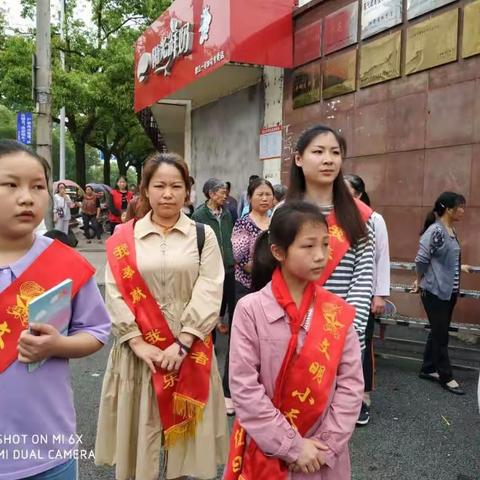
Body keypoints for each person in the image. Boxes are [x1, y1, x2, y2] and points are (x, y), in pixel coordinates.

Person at [95, 153, 228, 480]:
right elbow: (113, 292)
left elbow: (210, 288)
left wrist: (182, 344)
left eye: (176, 186)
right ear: (145, 190)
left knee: (183, 445)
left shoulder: (203, 235)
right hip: (140, 356)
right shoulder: (123, 238)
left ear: (187, 191)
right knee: (143, 440)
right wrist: (139, 344)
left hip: (189, 351)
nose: (167, 193)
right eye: (159, 186)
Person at [225, 201, 363, 480]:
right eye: (308, 246)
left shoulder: (337, 311)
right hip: (267, 449)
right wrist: (292, 446)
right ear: (278, 252)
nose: (321, 255)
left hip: (323, 460)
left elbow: (351, 385)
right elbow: (243, 387)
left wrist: (326, 446)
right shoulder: (250, 309)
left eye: (325, 244)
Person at [0, 140, 110, 480]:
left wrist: (57, 345)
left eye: (37, 187)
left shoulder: (64, 263)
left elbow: (97, 332)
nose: (26, 197)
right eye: (10, 185)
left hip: (48, 448)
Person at [286, 125, 375, 352]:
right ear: (299, 158)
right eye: (318, 152)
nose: (328, 160)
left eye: (335, 152)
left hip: (341, 338)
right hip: (289, 334)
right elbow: (276, 278)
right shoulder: (282, 213)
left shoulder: (361, 217)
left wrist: (346, 334)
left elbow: (362, 282)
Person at [412, 191, 469, 395]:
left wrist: (459, 266)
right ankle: (446, 376)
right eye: (459, 206)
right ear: (447, 208)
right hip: (434, 291)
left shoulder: (450, 230)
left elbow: (444, 257)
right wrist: (419, 281)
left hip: (449, 291)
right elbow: (421, 259)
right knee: (441, 335)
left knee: (438, 331)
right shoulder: (436, 230)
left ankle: (428, 368)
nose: (463, 210)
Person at [344, 174, 390, 425]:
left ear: (359, 194)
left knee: (363, 344)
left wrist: (379, 294)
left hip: (364, 293)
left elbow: (382, 257)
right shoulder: (331, 217)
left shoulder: (373, 218)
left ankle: (363, 396)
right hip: (336, 294)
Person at [192, 178, 236, 414]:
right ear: (210, 193)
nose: (224, 195)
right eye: (220, 192)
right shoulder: (199, 216)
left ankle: (219, 338)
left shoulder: (228, 213)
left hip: (229, 267)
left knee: (229, 305)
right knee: (211, 305)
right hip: (209, 269)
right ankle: (208, 343)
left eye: (225, 192)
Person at [232, 178, 275, 298]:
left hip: (273, 284)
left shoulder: (276, 223)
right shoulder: (243, 223)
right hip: (248, 285)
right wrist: (263, 274)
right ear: (249, 198)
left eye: (268, 194)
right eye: (260, 195)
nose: (264, 198)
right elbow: (240, 257)